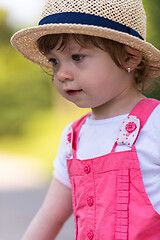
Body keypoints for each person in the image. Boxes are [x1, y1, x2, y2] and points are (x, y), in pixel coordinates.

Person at [11, 0, 160, 239]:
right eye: (54, 61)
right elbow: (49, 217)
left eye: (77, 57)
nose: (61, 74)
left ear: (130, 58)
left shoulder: (155, 124)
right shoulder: (73, 139)